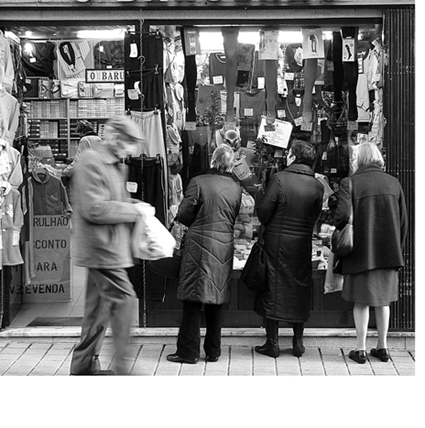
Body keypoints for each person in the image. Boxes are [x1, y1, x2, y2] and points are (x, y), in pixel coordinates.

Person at [69, 115, 153, 375]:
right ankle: (122, 367)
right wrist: (134, 212)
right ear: (115, 136)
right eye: (129, 143)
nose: (131, 150)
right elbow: (95, 209)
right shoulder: (91, 162)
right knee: (125, 300)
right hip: (101, 248)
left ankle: (83, 365)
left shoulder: (117, 164)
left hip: (110, 247)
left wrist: (135, 206)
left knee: (98, 310)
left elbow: (116, 201)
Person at [166, 144, 242, 364]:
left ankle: (188, 351)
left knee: (192, 298)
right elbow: (232, 215)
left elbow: (183, 214)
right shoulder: (236, 187)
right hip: (224, 245)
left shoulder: (198, 182)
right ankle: (213, 351)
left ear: (213, 161)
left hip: (199, 245)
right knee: (216, 298)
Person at [334, 142, 407, 364]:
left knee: (361, 302)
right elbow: (403, 221)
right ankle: (383, 347)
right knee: (383, 301)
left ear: (360, 159)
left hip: (360, 252)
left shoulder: (350, 183)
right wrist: (397, 248)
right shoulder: (393, 183)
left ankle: (361, 349)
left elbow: (341, 217)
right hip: (388, 251)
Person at [253, 139, 324, 358]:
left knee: (274, 287)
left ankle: (272, 343)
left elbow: (264, 214)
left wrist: (259, 196)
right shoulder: (318, 186)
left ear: (294, 156)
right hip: (302, 242)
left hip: (277, 243)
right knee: (299, 288)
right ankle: (298, 342)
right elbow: (316, 216)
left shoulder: (280, 179)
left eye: (289, 153)